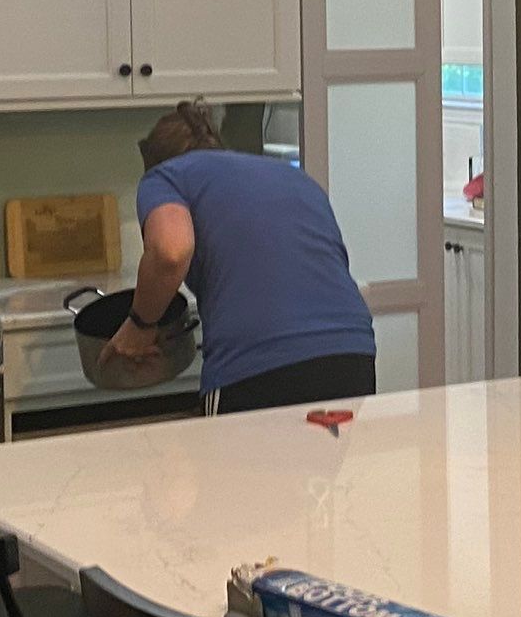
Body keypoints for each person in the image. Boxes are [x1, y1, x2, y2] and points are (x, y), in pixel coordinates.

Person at [106, 101, 380, 414]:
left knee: (236, 466)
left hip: (256, 365)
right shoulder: (294, 177)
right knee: (320, 462)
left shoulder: (164, 177)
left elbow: (171, 252)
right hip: (349, 354)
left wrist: (140, 325)